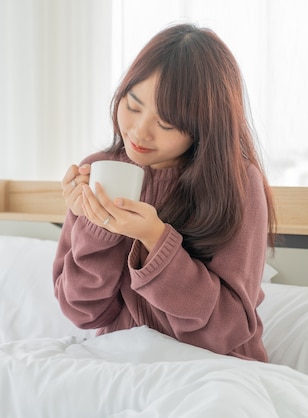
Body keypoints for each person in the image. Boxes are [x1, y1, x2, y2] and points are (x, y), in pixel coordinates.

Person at [52, 23, 276, 362]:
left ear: (204, 127)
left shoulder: (239, 183)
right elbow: (83, 312)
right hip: (120, 366)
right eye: (133, 104)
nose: (139, 132)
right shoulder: (99, 169)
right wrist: (95, 224)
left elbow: (225, 330)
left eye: (166, 123)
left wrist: (155, 240)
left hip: (216, 371)